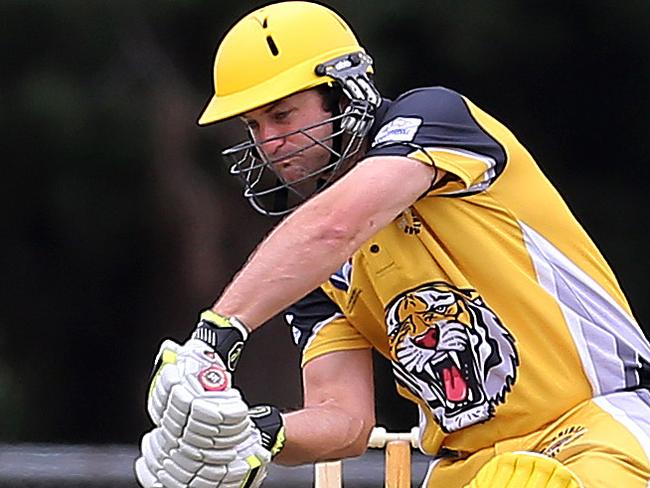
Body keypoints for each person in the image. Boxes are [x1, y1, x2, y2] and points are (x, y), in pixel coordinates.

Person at [135, 2, 650, 487]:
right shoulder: (313, 266)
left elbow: (335, 224)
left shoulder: (437, 120)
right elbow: (346, 421)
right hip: (465, 468)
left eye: (283, 115)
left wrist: (216, 335)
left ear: (345, 92)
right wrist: (259, 434)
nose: (270, 142)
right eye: (255, 125)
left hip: (600, 432)